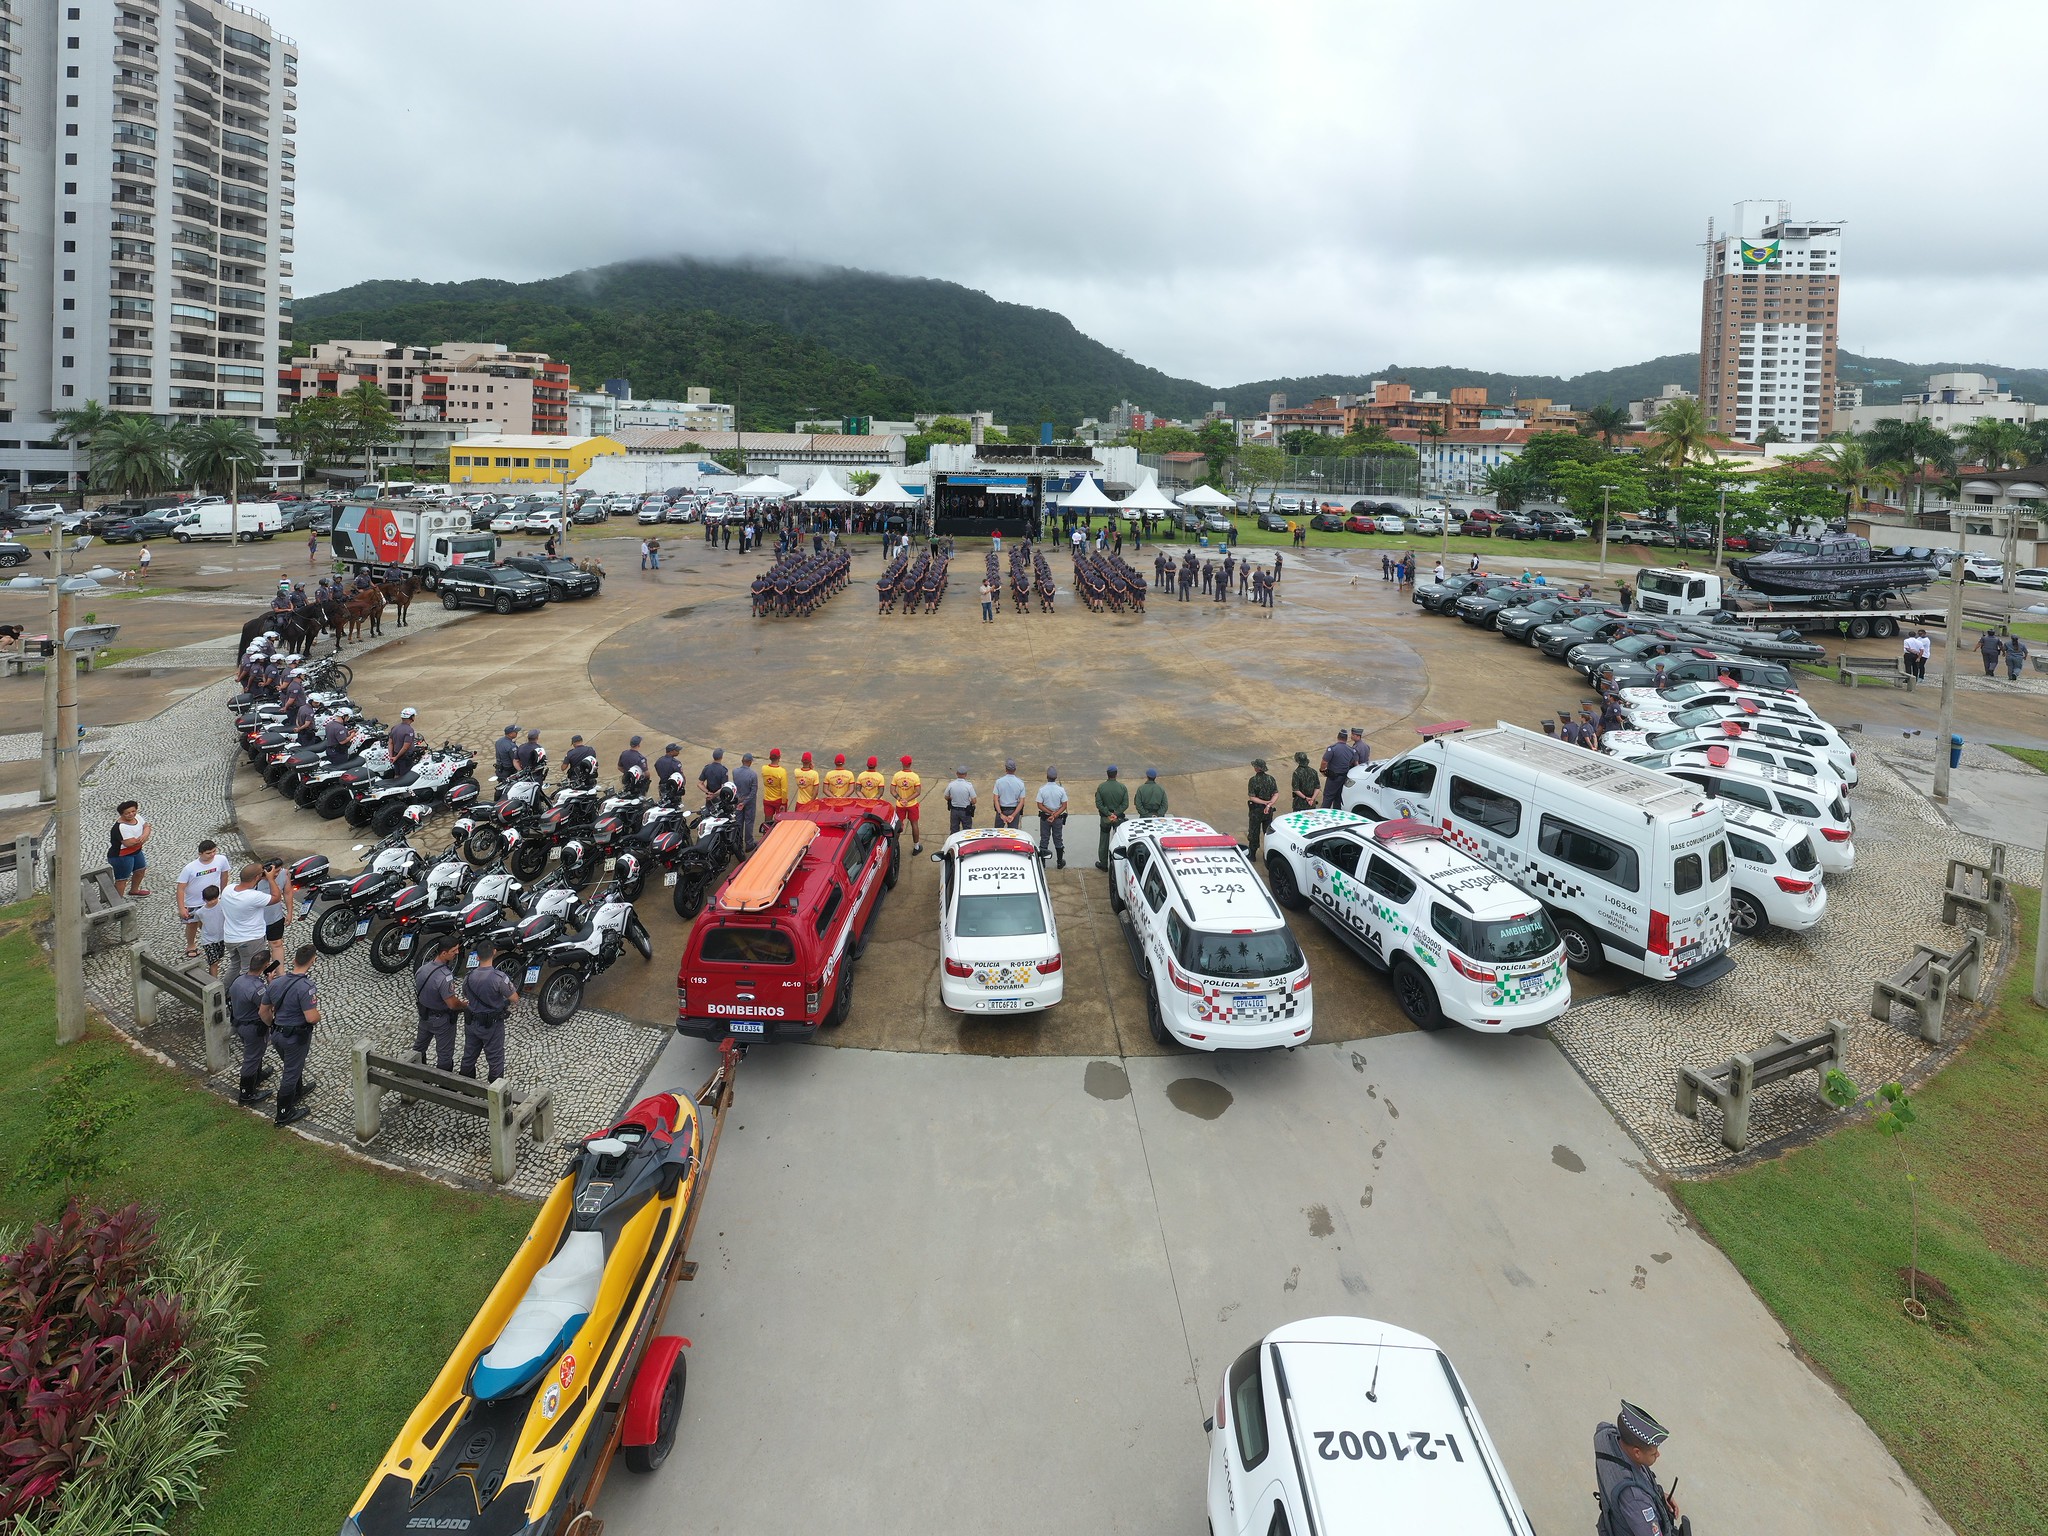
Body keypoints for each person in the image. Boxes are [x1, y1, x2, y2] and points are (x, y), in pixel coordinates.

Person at [1593, 1401, 1685, 1536]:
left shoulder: (1604, 1434)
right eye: (1653, 1453)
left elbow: (1607, 1428)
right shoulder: (1636, 1499)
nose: (1658, 1455)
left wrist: (1658, 1497)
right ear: (1637, 1453)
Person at [263, 944, 322, 1128]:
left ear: (294, 959)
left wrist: (272, 1024)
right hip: (295, 1037)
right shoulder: (306, 987)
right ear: (312, 961)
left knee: (293, 1066)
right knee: (290, 1071)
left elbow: (263, 1011)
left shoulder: (276, 983)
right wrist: (318, 1015)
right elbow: (311, 1017)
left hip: (278, 1034)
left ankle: (298, 1090)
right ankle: (283, 1113)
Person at [461, 941, 518, 1082]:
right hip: (492, 1025)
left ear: (477, 957)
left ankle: (466, 1087)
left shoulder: (468, 977)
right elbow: (514, 998)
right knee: (495, 1058)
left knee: (469, 1056)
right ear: (494, 952)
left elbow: (466, 994)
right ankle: (495, 1091)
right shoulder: (499, 978)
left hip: (472, 1022)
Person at [227, 954, 277, 1108]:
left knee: (255, 1054)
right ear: (266, 965)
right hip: (253, 1028)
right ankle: (246, 1094)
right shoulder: (258, 989)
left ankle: (257, 1075)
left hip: (239, 1023)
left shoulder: (239, 980)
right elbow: (268, 1008)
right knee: (251, 1058)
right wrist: (271, 1024)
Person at [218, 862, 281, 981]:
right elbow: (276, 897)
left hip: (231, 938)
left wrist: (259, 876)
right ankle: (247, 995)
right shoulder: (254, 896)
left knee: (234, 966)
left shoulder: (228, 889)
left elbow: (249, 883)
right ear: (257, 877)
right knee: (251, 971)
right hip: (250, 940)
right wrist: (270, 879)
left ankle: (223, 994)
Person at [412, 937, 465, 1072]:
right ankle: (444, 1086)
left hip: (424, 1015)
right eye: (453, 951)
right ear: (443, 953)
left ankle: (419, 1074)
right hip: (442, 1020)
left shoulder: (422, 969)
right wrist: (465, 1005)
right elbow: (452, 1004)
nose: (457, 953)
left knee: (419, 1048)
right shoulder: (445, 977)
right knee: (445, 1055)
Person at [176, 838, 233, 959]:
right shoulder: (189, 868)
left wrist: (225, 894)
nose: (212, 855)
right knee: (192, 924)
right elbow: (180, 888)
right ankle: (191, 945)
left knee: (211, 922)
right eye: (208, 853)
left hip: (213, 898)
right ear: (200, 853)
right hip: (193, 902)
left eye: (214, 851)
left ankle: (212, 943)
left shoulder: (221, 860)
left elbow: (224, 876)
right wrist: (181, 907)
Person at [108, 799, 153, 898]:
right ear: (122, 814)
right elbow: (130, 843)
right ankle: (117, 901)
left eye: (133, 811)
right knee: (122, 879)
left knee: (140, 870)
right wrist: (145, 836)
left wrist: (144, 835)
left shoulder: (137, 817)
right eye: (127, 813)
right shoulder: (121, 827)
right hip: (121, 856)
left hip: (136, 851)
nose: (131, 814)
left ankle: (134, 890)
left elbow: (146, 826)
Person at [1093, 765, 1129, 871]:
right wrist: (1116, 814)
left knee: (1104, 840)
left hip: (1105, 818)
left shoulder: (1101, 787)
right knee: (1118, 841)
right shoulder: (1122, 787)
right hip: (1118, 818)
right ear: (1116, 774)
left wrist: (1108, 814)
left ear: (1107, 774)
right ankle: (1117, 864)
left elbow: (1099, 803)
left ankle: (1103, 864)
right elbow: (1125, 804)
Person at [261, 856, 294, 964]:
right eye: (275, 871)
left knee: (277, 944)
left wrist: (289, 913)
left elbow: (288, 892)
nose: (277, 874)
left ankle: (280, 974)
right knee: (259, 950)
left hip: (275, 918)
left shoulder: (284, 874)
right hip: (258, 922)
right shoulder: (255, 879)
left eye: (279, 871)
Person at [1035, 767, 1069, 868]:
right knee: (1058, 839)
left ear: (1047, 777)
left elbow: (1039, 805)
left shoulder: (1042, 790)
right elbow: (1064, 805)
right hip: (1057, 819)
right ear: (1056, 777)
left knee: (1044, 839)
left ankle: (1043, 863)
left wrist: (1050, 814)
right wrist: (1055, 815)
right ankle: (1059, 862)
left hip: (1045, 818)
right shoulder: (1061, 790)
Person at [1246, 758, 1279, 859]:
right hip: (1268, 811)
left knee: (1254, 832)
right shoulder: (1271, 779)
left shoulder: (1253, 780)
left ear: (1257, 768)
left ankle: (1252, 854)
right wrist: (1269, 804)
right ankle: (1269, 853)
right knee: (1268, 833)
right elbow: (1276, 794)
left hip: (1256, 811)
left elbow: (1252, 797)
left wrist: (1264, 802)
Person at [890, 755, 924, 851]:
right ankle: (916, 846)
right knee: (914, 824)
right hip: (912, 804)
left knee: (898, 824)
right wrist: (907, 800)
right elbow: (918, 792)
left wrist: (900, 799)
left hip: (900, 805)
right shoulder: (915, 776)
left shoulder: (897, 775)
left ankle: (894, 846)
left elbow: (892, 790)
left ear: (902, 764)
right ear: (910, 764)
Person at [732, 752, 761, 852]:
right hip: (749, 802)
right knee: (749, 822)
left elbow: (735, 787)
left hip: (738, 800)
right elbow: (753, 791)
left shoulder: (735, 771)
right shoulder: (753, 775)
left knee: (738, 822)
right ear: (750, 762)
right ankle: (749, 844)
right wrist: (745, 802)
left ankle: (738, 844)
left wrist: (740, 801)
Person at [195, 883, 227, 975]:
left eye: (214, 899)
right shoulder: (200, 912)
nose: (212, 902)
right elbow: (200, 924)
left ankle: (212, 977)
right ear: (204, 900)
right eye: (209, 900)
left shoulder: (223, 904)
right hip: (208, 940)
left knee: (218, 958)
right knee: (214, 962)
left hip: (222, 937)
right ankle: (214, 983)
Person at [1318, 729, 1355, 809]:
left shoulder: (1332, 749)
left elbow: (1324, 762)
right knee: (1338, 798)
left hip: (1333, 778)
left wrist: (1322, 770)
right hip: (1344, 777)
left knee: (1328, 798)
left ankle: (1323, 815)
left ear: (1338, 737)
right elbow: (1351, 762)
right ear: (1346, 738)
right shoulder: (1351, 750)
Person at [386, 707, 421, 776]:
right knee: (405, 777)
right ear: (411, 717)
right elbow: (405, 747)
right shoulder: (409, 730)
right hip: (404, 757)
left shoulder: (394, 728)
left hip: (395, 755)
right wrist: (397, 757)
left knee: (397, 774)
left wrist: (392, 756)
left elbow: (390, 743)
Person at [760, 747, 789, 829]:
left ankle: (765, 836)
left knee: (767, 821)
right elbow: (784, 789)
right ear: (779, 757)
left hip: (767, 799)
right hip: (779, 800)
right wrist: (783, 802)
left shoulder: (764, 768)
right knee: (780, 822)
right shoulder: (782, 771)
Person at [993, 759, 1027, 828]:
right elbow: (1021, 802)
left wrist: (1000, 814)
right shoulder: (1020, 783)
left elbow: (995, 800)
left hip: (1001, 809)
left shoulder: (999, 782)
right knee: (1013, 834)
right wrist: (1013, 815)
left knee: (998, 833)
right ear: (1015, 769)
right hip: (1014, 810)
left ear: (1006, 769)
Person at [944, 766, 977, 834]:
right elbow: (974, 801)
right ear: (965, 775)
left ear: (957, 774)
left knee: (954, 831)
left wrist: (952, 799)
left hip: (954, 811)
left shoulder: (951, 784)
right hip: (965, 811)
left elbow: (946, 796)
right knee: (967, 831)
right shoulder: (968, 786)